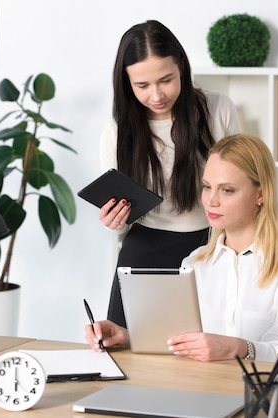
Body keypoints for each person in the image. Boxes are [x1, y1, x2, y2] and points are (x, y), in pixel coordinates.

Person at [86, 134, 278, 365]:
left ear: (261, 194)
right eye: (207, 187)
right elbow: (180, 342)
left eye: (227, 190)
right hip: (211, 391)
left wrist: (238, 348)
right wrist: (126, 337)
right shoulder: (194, 262)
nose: (210, 201)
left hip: (272, 392)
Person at [98, 20, 241, 328]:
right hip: (145, 250)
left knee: (207, 353)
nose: (157, 95)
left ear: (182, 69)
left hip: (213, 245)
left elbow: (241, 182)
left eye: (166, 80)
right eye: (142, 86)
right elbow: (119, 220)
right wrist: (114, 220)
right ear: (126, 84)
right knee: (130, 355)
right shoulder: (117, 134)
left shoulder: (218, 109)